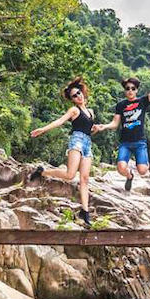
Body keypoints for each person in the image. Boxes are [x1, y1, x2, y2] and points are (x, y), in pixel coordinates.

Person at [29, 77, 94, 228]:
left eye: (79, 93)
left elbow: (89, 128)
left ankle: (85, 212)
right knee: (70, 175)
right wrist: (43, 129)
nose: (78, 96)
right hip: (76, 141)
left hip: (88, 144)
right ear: (72, 99)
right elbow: (60, 121)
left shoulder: (90, 112)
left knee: (84, 179)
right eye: (74, 95)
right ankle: (42, 172)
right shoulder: (74, 110)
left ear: (82, 92)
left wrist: (96, 128)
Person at [93, 59, 150, 191]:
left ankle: (142, 165)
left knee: (142, 171)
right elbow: (115, 123)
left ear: (136, 90)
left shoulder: (143, 101)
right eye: (127, 88)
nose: (130, 90)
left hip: (140, 142)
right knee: (120, 168)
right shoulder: (121, 105)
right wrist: (104, 126)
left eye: (133, 88)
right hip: (125, 142)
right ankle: (129, 176)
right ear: (125, 90)